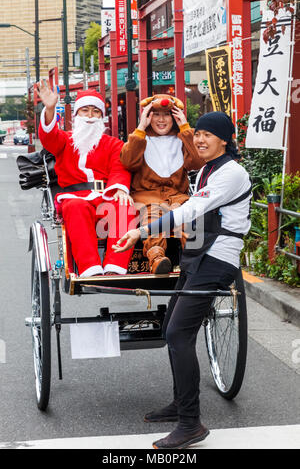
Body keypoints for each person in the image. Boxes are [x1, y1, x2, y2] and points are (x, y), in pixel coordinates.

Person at [113, 111, 252, 449]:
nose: (200, 140)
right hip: (197, 253)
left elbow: (190, 211)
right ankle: (180, 403)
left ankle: (191, 424)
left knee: (178, 333)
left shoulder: (231, 173)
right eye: (198, 133)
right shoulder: (206, 168)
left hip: (218, 257)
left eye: (208, 135)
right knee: (168, 329)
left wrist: (143, 231)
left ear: (225, 139)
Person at [37, 81, 134, 277]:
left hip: (105, 197)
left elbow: (120, 168)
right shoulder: (64, 140)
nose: (90, 116)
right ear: (76, 116)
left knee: (125, 207)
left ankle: (115, 268)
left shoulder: (113, 143)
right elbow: (48, 137)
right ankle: (90, 268)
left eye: (95, 112)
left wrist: (121, 189)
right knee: (75, 207)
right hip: (74, 198)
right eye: (85, 111)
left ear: (101, 116)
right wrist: (49, 109)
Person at [120, 94, 203, 274]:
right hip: (147, 196)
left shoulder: (182, 139)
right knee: (153, 215)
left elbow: (197, 162)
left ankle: (194, 258)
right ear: (148, 116)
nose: (161, 119)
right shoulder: (140, 138)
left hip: (178, 197)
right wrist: (141, 127)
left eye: (167, 114)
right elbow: (128, 161)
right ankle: (157, 258)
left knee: (190, 217)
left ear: (174, 117)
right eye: (155, 114)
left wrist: (185, 128)